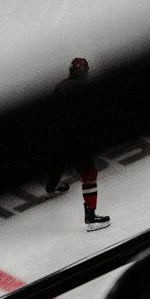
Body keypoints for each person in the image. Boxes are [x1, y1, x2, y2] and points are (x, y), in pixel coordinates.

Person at [44, 58, 110, 230]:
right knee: (89, 174)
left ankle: (52, 187)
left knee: (59, 160)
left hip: (58, 138)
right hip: (75, 141)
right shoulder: (86, 90)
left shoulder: (61, 86)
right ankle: (90, 218)